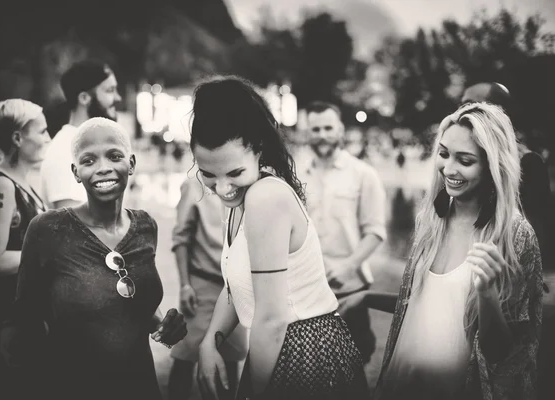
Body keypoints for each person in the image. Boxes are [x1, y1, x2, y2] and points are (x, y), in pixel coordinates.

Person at [345, 103, 543, 399]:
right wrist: (366, 297)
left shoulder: (514, 236)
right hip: (400, 383)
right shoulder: (431, 218)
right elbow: (425, 303)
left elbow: (505, 353)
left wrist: (487, 293)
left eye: (465, 160)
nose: (449, 169)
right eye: (444, 153)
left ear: (493, 165)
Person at [193, 76, 370, 400]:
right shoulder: (241, 198)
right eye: (208, 175)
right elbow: (237, 286)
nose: (221, 189)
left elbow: (272, 319)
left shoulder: (265, 197)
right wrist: (209, 342)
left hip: (304, 353)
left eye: (233, 173)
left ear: (258, 150)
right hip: (274, 347)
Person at [4, 118, 187, 399]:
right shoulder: (49, 229)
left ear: (132, 163)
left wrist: (163, 328)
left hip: (140, 386)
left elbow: (132, 306)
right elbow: (22, 321)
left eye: (114, 156)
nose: (103, 168)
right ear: (76, 172)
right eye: (89, 161)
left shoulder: (146, 227)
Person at [462, 82, 554, 400]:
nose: (461, 110)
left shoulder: (527, 160)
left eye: (469, 103)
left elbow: (540, 217)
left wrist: (535, 271)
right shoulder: (471, 155)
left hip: (515, 271)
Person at [300, 101, 387, 365]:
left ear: (340, 130)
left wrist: (348, 266)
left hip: (350, 288)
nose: (322, 134)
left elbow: (375, 231)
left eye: (328, 127)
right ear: (308, 133)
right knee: (311, 362)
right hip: (308, 287)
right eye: (316, 129)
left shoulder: (364, 175)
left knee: (354, 360)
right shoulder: (296, 175)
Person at [0, 99, 50, 397]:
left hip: (23, 313)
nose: (47, 138)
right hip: (6, 315)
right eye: (42, 131)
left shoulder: (23, 182)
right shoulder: (2, 186)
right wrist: (48, 257)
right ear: (18, 138)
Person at [168, 175, 248, 399]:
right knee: (186, 356)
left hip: (236, 286)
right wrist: (185, 285)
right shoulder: (194, 185)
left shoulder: (246, 180)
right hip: (203, 285)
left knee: (230, 357)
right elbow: (181, 237)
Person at [40, 59, 121, 209]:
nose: (118, 98)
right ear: (84, 98)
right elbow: (72, 227)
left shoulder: (87, 144)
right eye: (109, 90)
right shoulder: (64, 151)